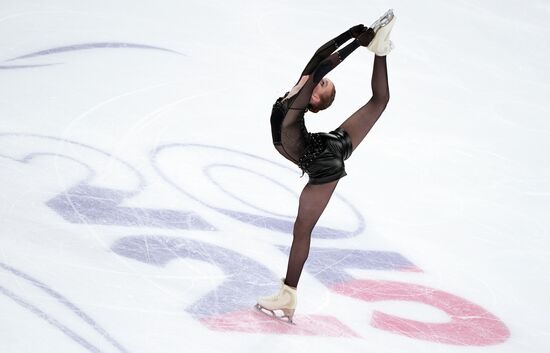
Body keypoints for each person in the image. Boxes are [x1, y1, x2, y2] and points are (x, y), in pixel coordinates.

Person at [256, 10, 396, 323]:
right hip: (326, 145)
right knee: (378, 102)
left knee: (301, 229)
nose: (321, 83)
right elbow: (320, 56)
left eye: (324, 87)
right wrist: (351, 33)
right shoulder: (299, 88)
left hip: (324, 165)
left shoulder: (297, 106)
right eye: (324, 83)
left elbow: (323, 66)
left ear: (315, 102)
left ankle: (288, 295)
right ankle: (382, 50)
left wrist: (356, 46)